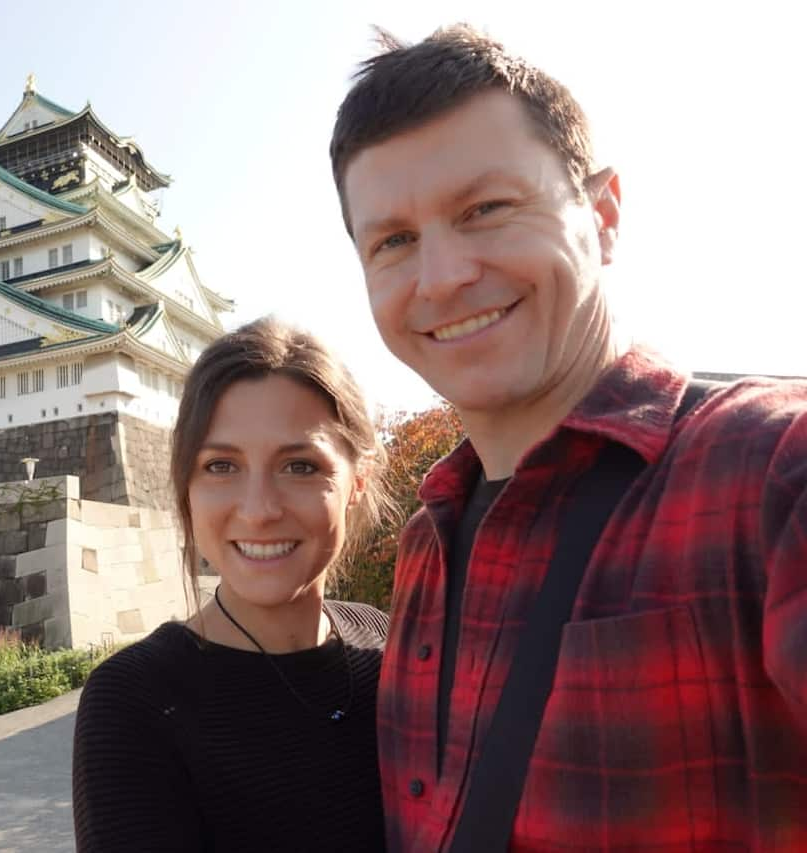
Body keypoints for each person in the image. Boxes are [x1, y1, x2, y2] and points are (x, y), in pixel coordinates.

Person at [330, 25, 807, 851]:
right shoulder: (424, 546)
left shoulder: (768, 471)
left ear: (604, 213)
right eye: (394, 241)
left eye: (486, 209)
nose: (442, 277)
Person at [72, 317, 394, 852]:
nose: (260, 510)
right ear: (187, 489)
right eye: (221, 466)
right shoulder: (136, 701)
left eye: (300, 466)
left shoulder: (391, 646)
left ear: (356, 484)